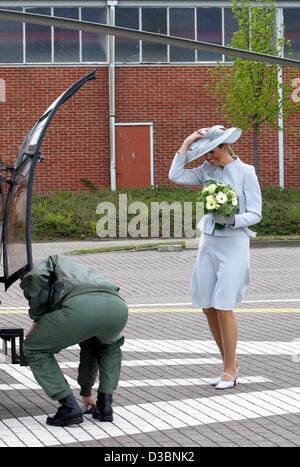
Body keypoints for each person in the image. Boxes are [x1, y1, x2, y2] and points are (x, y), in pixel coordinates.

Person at [169, 125, 262, 390]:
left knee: (223, 305)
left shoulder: (246, 172)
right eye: (204, 155)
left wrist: (233, 219)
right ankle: (230, 362)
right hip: (209, 241)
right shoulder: (206, 171)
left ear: (223, 147)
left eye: (210, 153)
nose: (207, 159)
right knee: (208, 305)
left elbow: (256, 213)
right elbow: (175, 175)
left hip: (234, 242)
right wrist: (187, 142)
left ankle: (229, 369)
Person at [20, 254, 128, 426]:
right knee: (106, 346)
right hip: (118, 307)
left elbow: (36, 277)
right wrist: (86, 393)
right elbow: (88, 354)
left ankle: (69, 407)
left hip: (81, 307)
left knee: (34, 348)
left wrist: (37, 316)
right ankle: (105, 405)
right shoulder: (78, 270)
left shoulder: (49, 261)